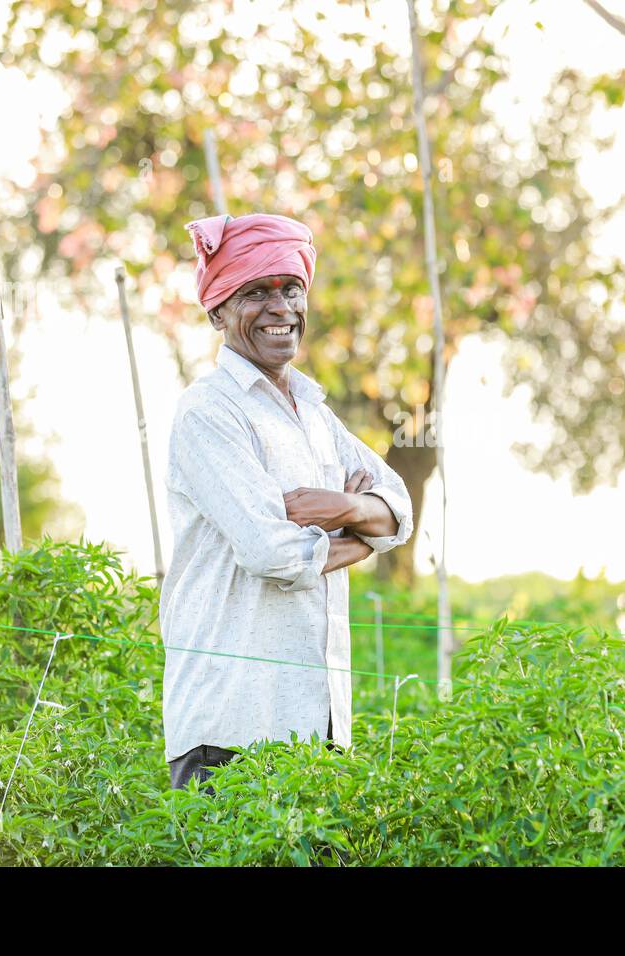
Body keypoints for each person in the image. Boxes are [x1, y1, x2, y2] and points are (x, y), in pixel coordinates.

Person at [160, 211, 414, 791]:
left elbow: (397, 509)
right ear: (218, 308)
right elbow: (271, 551)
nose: (281, 308)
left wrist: (341, 509)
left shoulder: (316, 415)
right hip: (230, 729)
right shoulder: (209, 411)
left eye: (291, 290)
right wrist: (362, 539)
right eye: (256, 293)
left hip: (318, 725)